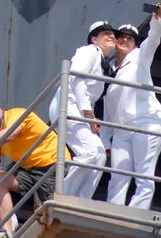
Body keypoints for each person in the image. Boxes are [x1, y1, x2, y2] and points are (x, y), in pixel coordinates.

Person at [0, 98, 71, 238]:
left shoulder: (16, 115)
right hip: (31, 171)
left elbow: (9, 134)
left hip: (51, 166)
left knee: (46, 215)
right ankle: (6, 233)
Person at [102, 4, 161, 209]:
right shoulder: (111, 71)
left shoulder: (140, 57)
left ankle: (136, 217)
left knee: (143, 175)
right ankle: (113, 215)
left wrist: (158, 21)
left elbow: (153, 40)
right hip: (122, 130)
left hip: (146, 123)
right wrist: (105, 141)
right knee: (118, 177)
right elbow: (108, 111)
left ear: (136, 45)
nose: (124, 40)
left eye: (129, 38)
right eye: (121, 37)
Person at [48, 20, 117, 199]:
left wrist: (89, 114)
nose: (111, 36)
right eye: (105, 34)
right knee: (89, 153)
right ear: (94, 39)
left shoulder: (103, 62)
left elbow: (89, 92)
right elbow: (77, 77)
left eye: (112, 34)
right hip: (68, 105)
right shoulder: (89, 51)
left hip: (79, 109)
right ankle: (62, 196)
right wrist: (88, 113)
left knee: (99, 156)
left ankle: (81, 199)